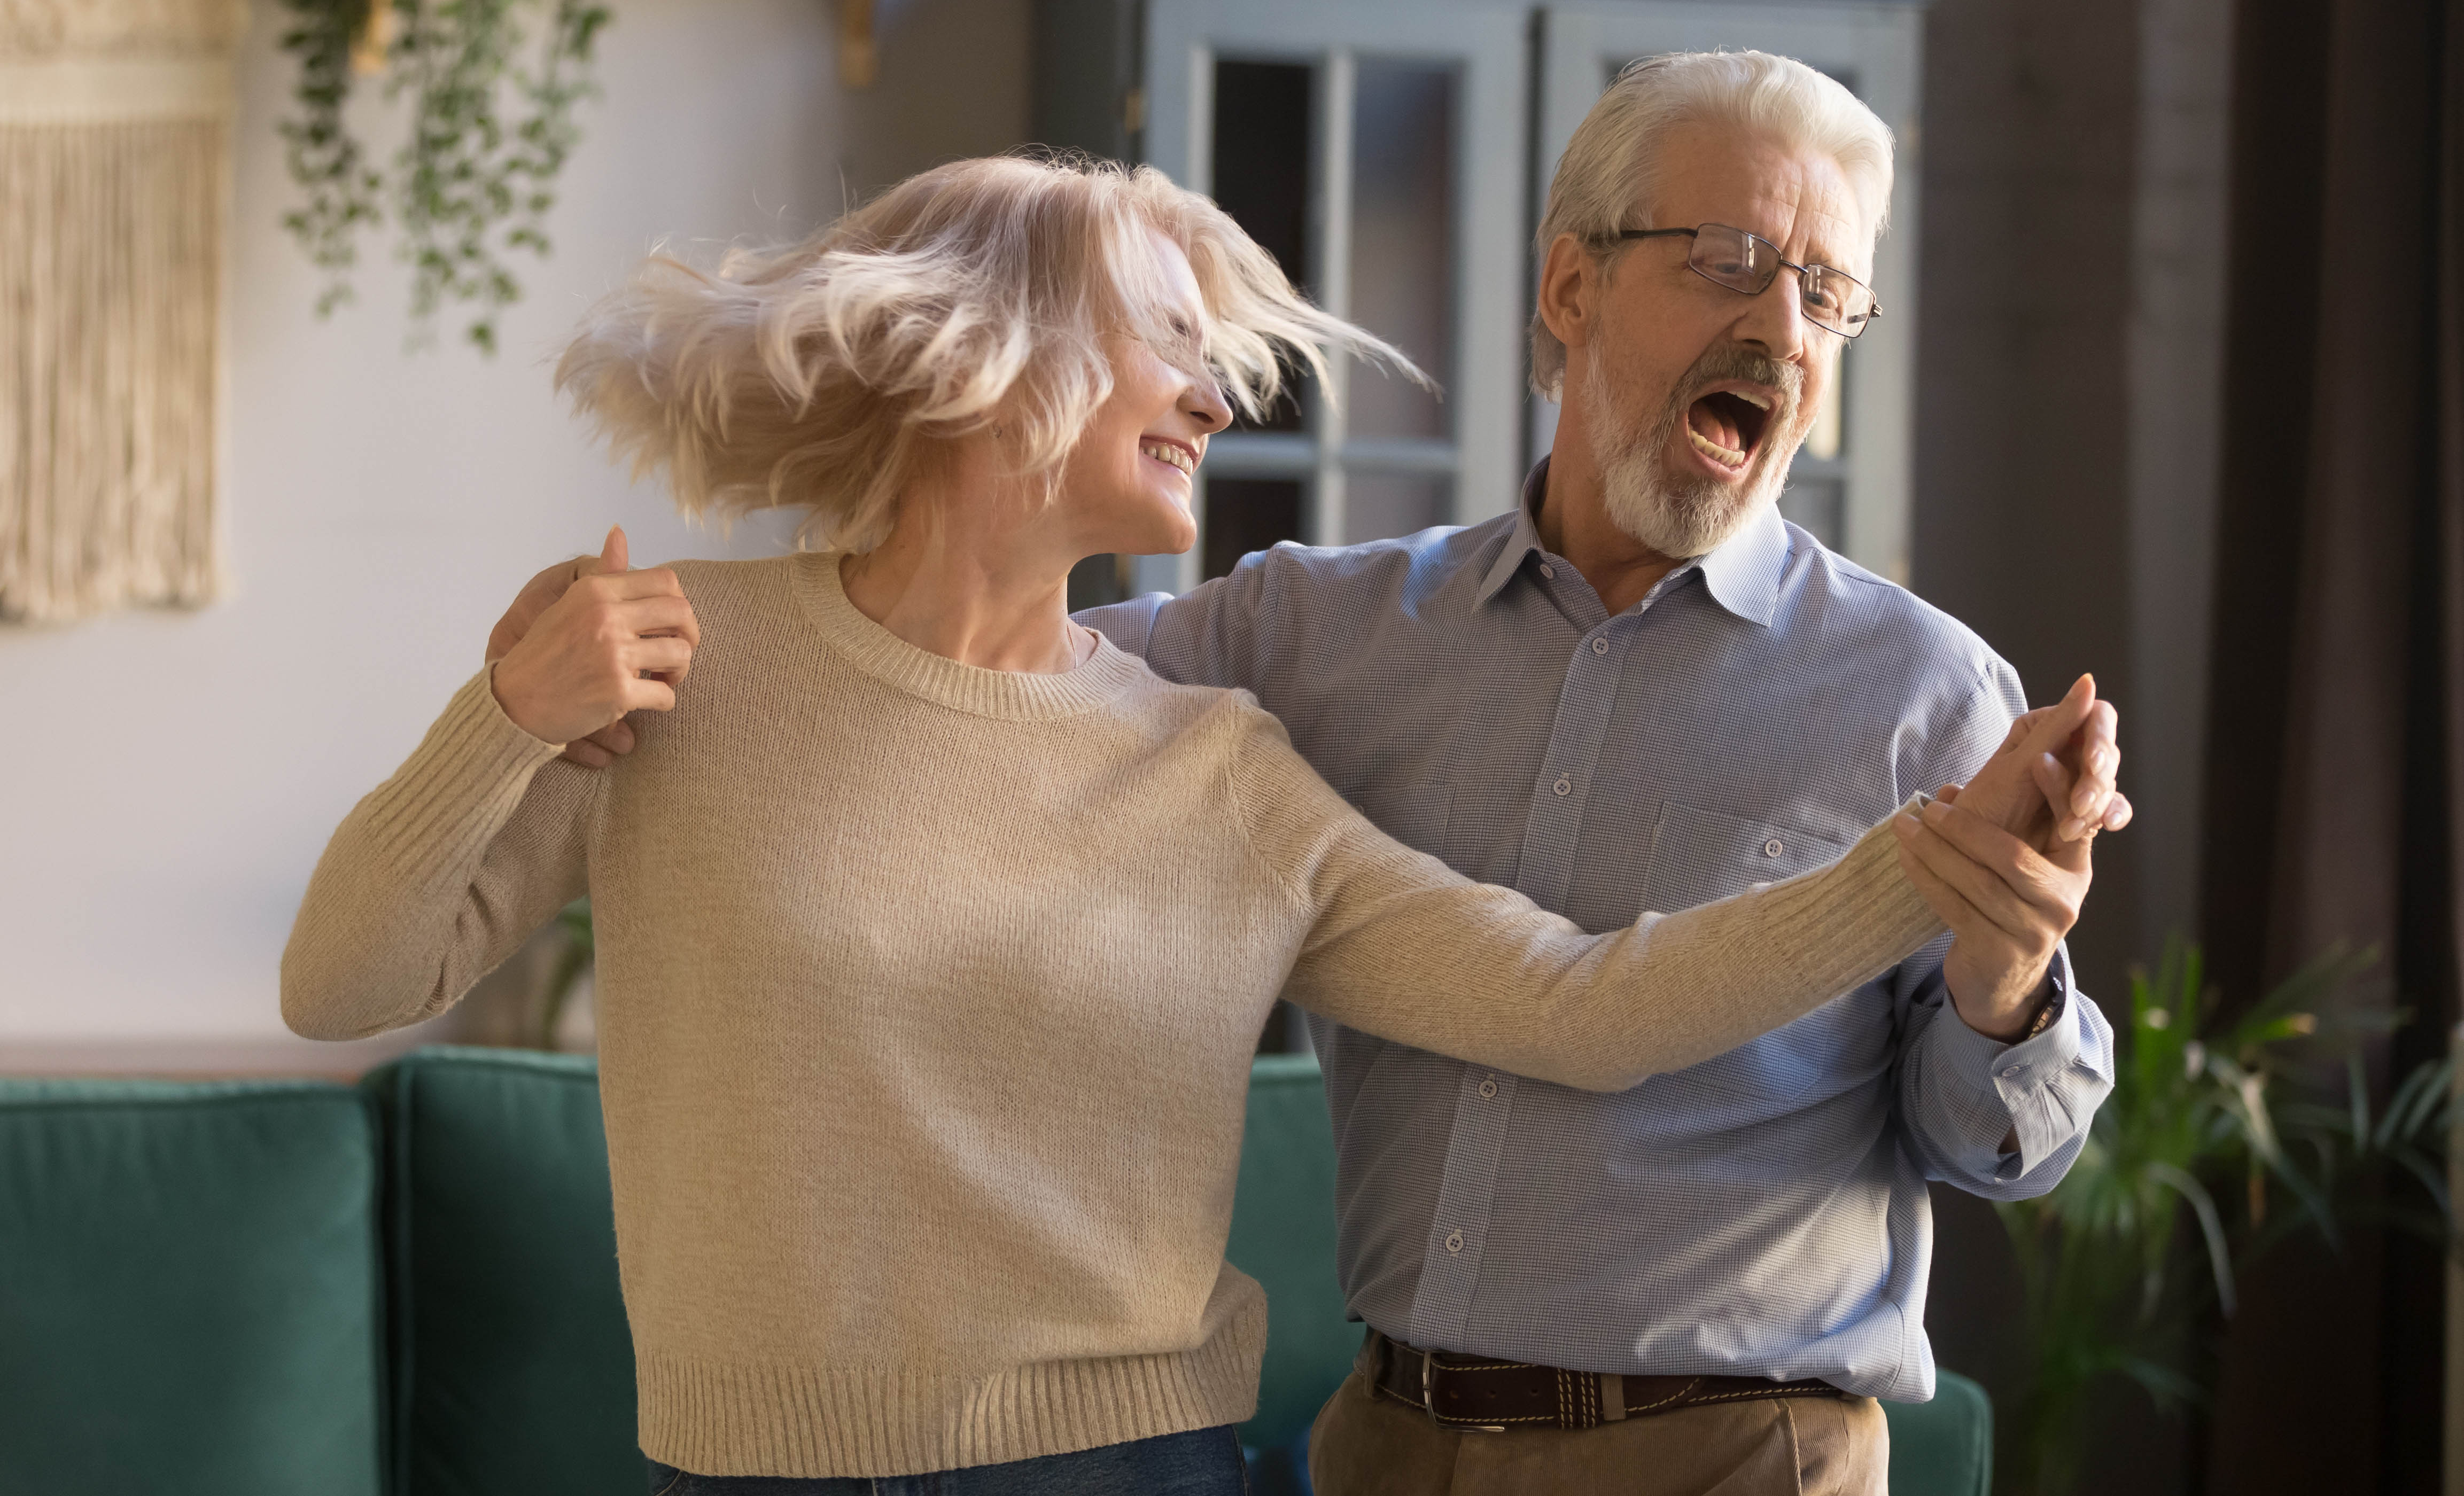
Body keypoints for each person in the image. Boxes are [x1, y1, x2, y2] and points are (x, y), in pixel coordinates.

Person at [295, 152, 2120, 1496]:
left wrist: (1917, 866)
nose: (1220, 390)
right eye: (1168, 337)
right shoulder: (677, 658)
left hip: (1129, 1466)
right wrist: (504, 721)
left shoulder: (1215, 762)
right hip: (731, 1464)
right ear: (990, 348)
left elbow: (1583, 1005)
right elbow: (340, 982)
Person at [1079, 52, 2132, 1495]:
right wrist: (682, 653)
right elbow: (986, 687)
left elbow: (2004, 1151)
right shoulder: (1317, 630)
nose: (1781, 328)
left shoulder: (1922, 692)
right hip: (1388, 1439)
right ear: (1569, 288)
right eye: (1731, 263)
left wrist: (2005, 982)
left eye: (1826, 296)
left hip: (1738, 1458)